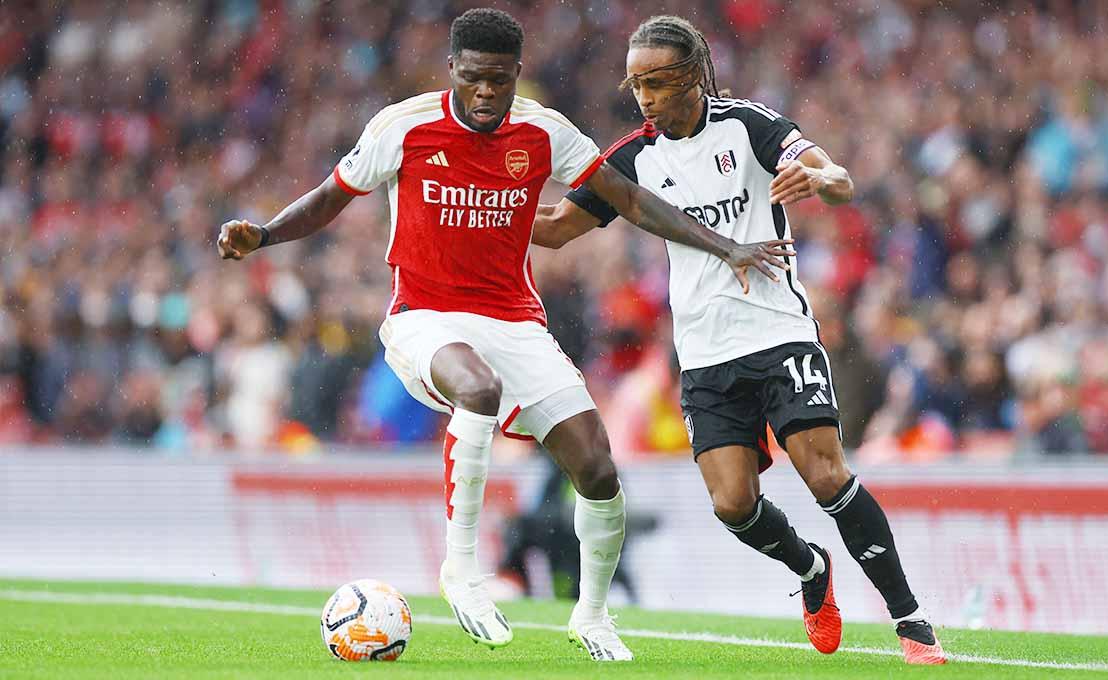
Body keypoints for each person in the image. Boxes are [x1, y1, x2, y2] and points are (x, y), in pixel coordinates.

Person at [216, 8, 791, 663]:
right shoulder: (402, 127)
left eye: (498, 80)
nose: (486, 92)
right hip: (423, 318)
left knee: (598, 468)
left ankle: (594, 615)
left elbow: (627, 199)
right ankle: (461, 570)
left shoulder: (544, 132)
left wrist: (723, 246)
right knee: (478, 387)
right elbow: (330, 195)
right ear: (453, 72)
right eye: (473, 79)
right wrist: (263, 234)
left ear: (516, 74)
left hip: (515, 322)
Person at [534, 15, 947, 665]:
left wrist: (823, 180)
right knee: (733, 504)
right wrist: (493, 210)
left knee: (824, 473)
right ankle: (811, 570)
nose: (645, 97)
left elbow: (833, 175)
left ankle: (911, 621)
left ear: (694, 76)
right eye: (636, 84)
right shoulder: (632, 158)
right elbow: (558, 228)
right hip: (703, 357)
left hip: (779, 334)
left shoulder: (747, 126)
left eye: (659, 82)